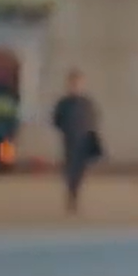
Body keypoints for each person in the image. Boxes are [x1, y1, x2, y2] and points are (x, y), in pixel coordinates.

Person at [51, 69, 102, 213]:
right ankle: (71, 193)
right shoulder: (63, 103)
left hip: (84, 139)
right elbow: (56, 120)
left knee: (81, 168)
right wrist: (66, 130)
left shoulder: (87, 103)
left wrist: (92, 135)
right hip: (69, 139)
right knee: (70, 168)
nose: (75, 86)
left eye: (78, 83)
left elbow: (93, 119)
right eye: (73, 83)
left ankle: (75, 192)